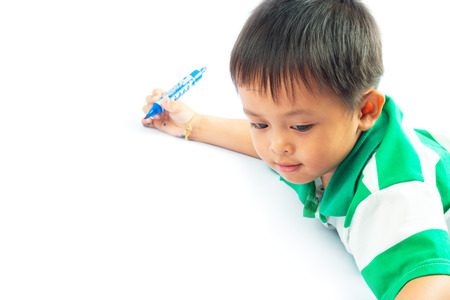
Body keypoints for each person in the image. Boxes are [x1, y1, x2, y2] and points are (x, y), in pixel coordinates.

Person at [142, 0, 450, 299]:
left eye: (300, 126)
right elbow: (262, 141)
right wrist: (193, 124)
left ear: (364, 111)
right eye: (260, 123)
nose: (277, 146)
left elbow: (432, 284)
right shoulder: (316, 148)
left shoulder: (388, 195)